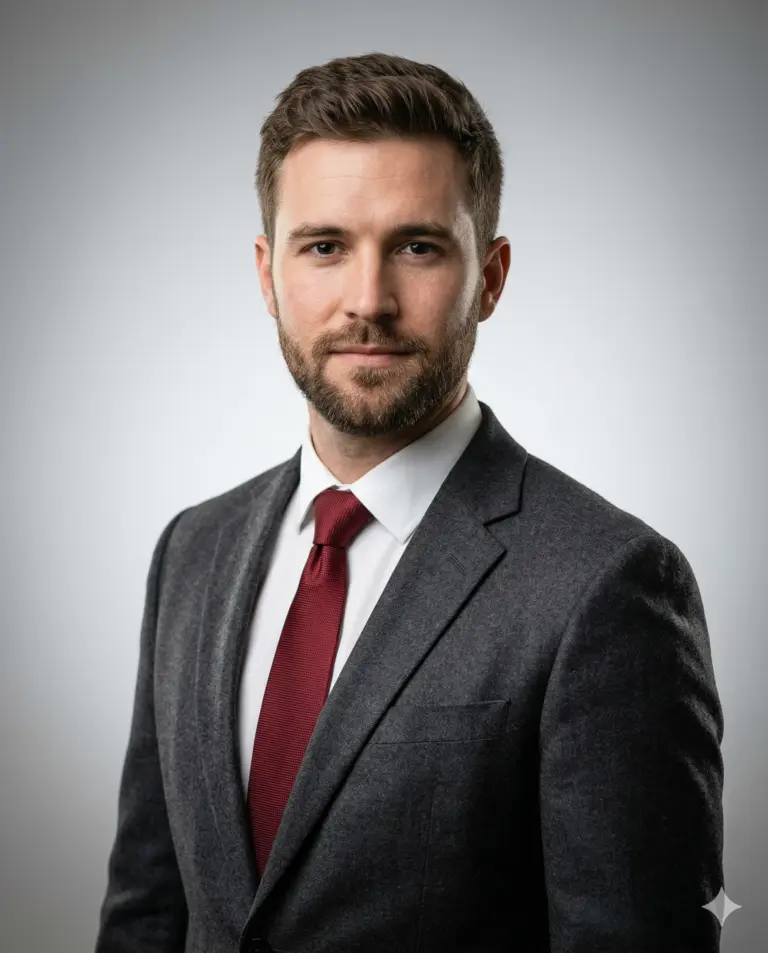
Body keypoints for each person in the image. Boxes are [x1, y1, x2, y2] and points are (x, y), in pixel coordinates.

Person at [95, 52, 724, 953]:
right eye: (325, 247)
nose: (368, 302)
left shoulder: (608, 584)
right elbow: (145, 914)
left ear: (492, 276)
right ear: (268, 275)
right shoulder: (192, 550)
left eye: (418, 246)